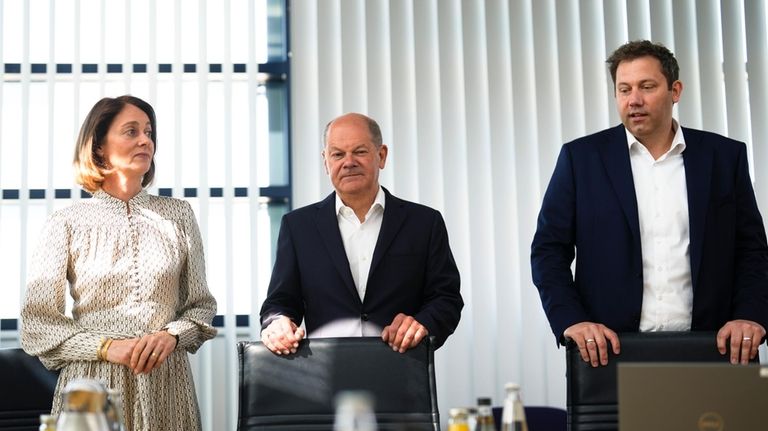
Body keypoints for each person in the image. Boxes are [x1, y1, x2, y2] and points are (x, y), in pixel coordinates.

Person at [531, 40, 768, 368]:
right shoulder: (581, 159)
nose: (634, 100)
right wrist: (572, 320)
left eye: (647, 86)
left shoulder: (724, 158)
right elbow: (548, 251)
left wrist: (749, 316)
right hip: (609, 353)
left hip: (715, 347)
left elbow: (752, 250)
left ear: (675, 90)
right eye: (624, 89)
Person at [21, 95, 217, 430]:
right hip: (90, 382)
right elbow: (37, 325)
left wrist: (171, 335)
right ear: (98, 147)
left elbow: (200, 308)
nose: (145, 140)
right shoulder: (65, 223)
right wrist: (107, 348)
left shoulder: (179, 215)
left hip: (166, 380)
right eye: (131, 131)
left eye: (148, 132)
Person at [259, 113, 463, 355]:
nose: (349, 162)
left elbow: (446, 299)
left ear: (382, 155)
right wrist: (277, 323)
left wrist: (423, 324)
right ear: (326, 162)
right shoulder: (298, 227)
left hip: (403, 368)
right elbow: (279, 303)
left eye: (360, 151)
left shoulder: (425, 223)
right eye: (337, 154)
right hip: (324, 374)